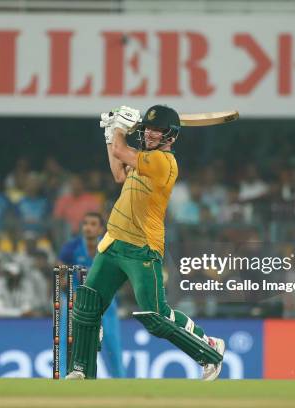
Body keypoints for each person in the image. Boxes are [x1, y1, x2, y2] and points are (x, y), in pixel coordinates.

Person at [66, 105, 225, 380]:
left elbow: (121, 151)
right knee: (86, 305)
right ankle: (80, 371)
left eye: (157, 131)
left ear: (171, 137)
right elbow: (118, 173)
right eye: (148, 129)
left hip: (142, 248)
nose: (150, 134)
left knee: (157, 316)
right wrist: (109, 134)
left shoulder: (164, 162)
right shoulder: (143, 157)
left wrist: (118, 129)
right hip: (114, 241)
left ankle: (209, 348)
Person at [59, 212, 125, 378]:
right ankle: (61, 377)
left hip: (105, 301)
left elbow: (120, 273)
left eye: (93, 224)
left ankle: (121, 381)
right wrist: (69, 289)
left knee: (112, 345)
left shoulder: (110, 247)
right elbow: (60, 277)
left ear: (101, 228)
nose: (88, 228)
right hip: (76, 302)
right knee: (68, 342)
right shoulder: (71, 248)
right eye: (85, 224)